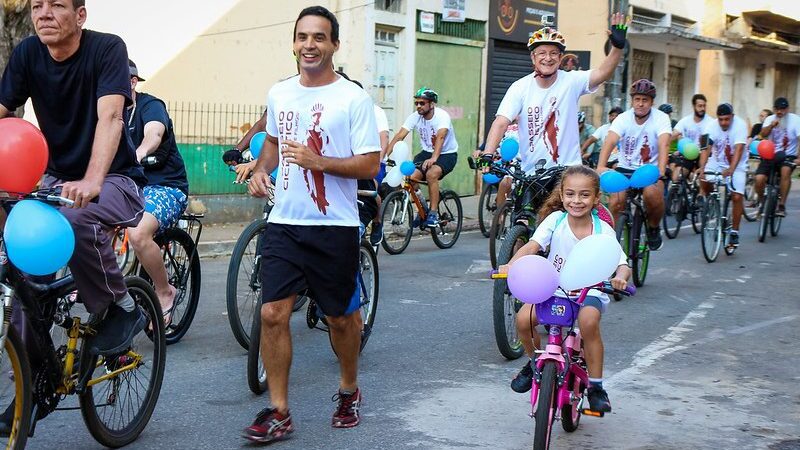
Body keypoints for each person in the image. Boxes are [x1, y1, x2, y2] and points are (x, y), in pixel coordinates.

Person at [242, 6, 380, 443]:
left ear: (334, 45)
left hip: (334, 227)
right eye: (302, 37)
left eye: (319, 37)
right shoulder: (279, 93)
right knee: (272, 313)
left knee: (341, 321)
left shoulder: (353, 98)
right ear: (294, 43)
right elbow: (275, 145)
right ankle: (280, 410)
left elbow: (371, 164)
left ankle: (348, 389)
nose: (309, 45)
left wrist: (318, 161)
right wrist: (262, 169)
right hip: (284, 221)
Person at [0, 0, 147, 357]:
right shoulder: (27, 53)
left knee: (75, 218)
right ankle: (30, 379)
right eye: (37, 6)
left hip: (115, 178)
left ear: (80, 15)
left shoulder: (107, 49)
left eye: (57, 5)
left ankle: (121, 306)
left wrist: (93, 180)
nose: (44, 14)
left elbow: (111, 117)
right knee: (21, 256)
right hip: (56, 178)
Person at [499, 165, 631, 413]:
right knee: (523, 320)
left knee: (588, 322)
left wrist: (620, 278)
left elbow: (622, 263)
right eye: (570, 194)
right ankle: (535, 361)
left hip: (589, 289)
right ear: (561, 195)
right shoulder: (555, 220)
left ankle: (596, 386)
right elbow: (532, 247)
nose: (576, 200)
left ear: (595, 199)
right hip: (555, 287)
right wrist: (511, 264)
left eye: (584, 195)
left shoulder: (603, 230)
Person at [480, 13, 630, 182]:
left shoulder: (571, 80)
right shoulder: (519, 87)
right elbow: (501, 122)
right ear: (533, 57)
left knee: (578, 206)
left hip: (568, 172)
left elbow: (602, 73)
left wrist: (617, 47)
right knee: (520, 208)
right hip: (531, 174)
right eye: (542, 53)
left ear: (560, 58)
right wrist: (488, 154)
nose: (548, 58)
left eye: (554, 53)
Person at [125, 60, 190, 325]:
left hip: (166, 187)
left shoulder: (150, 105)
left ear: (132, 82)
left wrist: (138, 153)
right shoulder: (107, 111)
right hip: (129, 186)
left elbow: (155, 133)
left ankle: (164, 292)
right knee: (88, 223)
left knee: (138, 233)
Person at [596, 79, 671, 251]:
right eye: (637, 99)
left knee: (652, 195)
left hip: (649, 170)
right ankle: (611, 241)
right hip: (625, 168)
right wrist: (601, 166)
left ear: (652, 102)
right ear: (632, 101)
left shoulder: (661, 118)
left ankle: (653, 228)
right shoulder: (623, 118)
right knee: (616, 201)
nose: (641, 104)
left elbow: (664, 143)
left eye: (645, 100)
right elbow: (610, 141)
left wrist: (660, 169)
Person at [384, 87, 458, 226]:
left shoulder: (442, 116)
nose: (418, 106)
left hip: (446, 154)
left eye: (422, 103)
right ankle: (423, 207)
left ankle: (433, 213)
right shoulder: (415, 117)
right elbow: (400, 135)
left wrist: (434, 158)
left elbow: (441, 137)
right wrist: (384, 157)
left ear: (431, 104)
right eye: (416, 103)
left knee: (431, 174)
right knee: (410, 177)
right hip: (426, 153)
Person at [698, 103, 747, 247]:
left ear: (732, 116)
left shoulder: (741, 126)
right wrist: (702, 167)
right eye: (721, 119)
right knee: (704, 176)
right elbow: (705, 148)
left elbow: (738, 150)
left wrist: (731, 169)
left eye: (727, 119)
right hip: (717, 162)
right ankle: (711, 202)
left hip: (737, 165)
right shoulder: (710, 127)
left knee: (737, 196)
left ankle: (734, 232)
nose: (724, 122)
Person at [756, 97, 800, 217]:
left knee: (785, 171)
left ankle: (781, 205)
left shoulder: (795, 120)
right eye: (777, 109)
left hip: (788, 155)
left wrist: (799, 158)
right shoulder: (770, 119)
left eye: (783, 109)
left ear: (787, 109)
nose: (780, 112)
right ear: (774, 109)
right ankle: (761, 201)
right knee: (759, 179)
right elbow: (762, 135)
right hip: (770, 154)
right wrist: (771, 126)